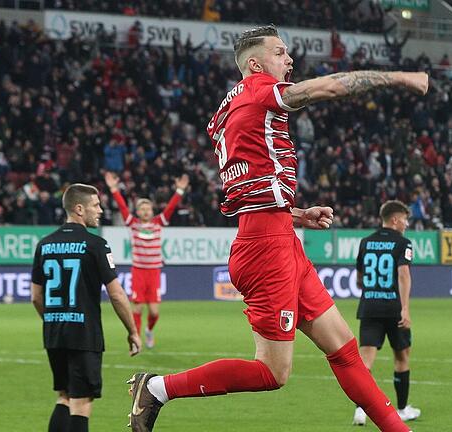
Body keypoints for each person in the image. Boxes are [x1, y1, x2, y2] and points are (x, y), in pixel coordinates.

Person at [127, 25, 429, 432]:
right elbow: (328, 89)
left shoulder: (226, 109)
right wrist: (397, 77)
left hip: (277, 235)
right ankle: (158, 387)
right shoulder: (257, 90)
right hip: (265, 248)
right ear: (255, 64)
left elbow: (248, 184)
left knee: (344, 349)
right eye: (280, 52)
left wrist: (295, 213)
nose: (289, 60)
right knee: (272, 372)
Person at [31, 183, 141, 432]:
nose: (100, 210)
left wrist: (53, 320)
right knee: (81, 403)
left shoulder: (44, 245)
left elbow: (35, 297)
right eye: (95, 205)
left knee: (64, 396)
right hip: (84, 334)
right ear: (79, 209)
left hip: (54, 332)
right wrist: (132, 330)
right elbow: (116, 294)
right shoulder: (96, 245)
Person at [352, 200, 421, 426]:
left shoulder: (365, 242)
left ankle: (360, 411)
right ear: (395, 220)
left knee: (365, 362)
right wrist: (405, 308)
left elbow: (359, 278)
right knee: (402, 357)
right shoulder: (403, 243)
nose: (406, 224)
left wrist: (373, 293)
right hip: (394, 309)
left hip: (369, 307)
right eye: (404, 219)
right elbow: (403, 275)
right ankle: (401, 409)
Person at [104, 171, 189, 349]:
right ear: (138, 211)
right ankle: (136, 339)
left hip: (154, 271)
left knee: (154, 311)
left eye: (147, 208)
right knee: (137, 308)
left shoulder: (158, 222)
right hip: (138, 271)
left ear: (152, 211)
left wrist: (179, 191)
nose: (144, 211)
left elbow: (170, 208)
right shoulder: (133, 223)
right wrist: (113, 189)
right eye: (141, 208)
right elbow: (122, 207)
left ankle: (149, 330)